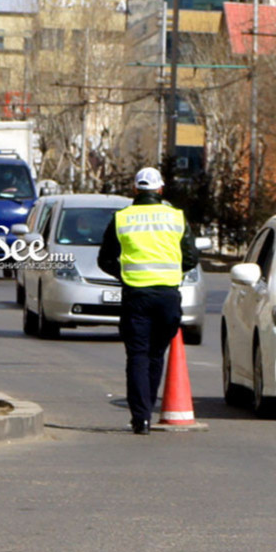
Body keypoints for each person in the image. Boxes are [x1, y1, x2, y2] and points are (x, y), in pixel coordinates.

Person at [98, 167, 199, 435]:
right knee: (156, 355)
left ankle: (140, 418)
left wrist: (126, 274)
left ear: (135, 190)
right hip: (167, 296)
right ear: (160, 190)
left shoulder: (122, 218)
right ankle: (148, 410)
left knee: (137, 357)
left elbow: (105, 259)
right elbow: (190, 258)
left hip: (136, 296)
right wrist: (171, 271)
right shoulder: (176, 218)